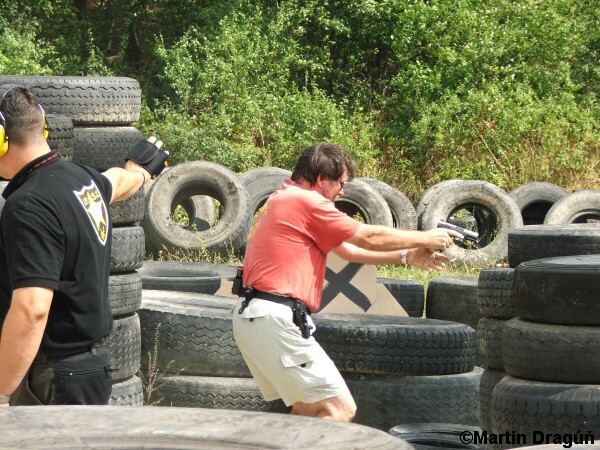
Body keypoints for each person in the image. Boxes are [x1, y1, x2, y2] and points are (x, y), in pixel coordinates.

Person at [232, 142, 462, 422]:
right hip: (274, 317)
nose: (342, 191)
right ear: (321, 180)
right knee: (339, 410)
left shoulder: (283, 197)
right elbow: (368, 237)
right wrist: (426, 237)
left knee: (306, 411)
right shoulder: (306, 201)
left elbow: (347, 251)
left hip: (256, 317)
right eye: (342, 183)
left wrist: (406, 257)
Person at [0, 85, 167, 406]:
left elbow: (32, 309)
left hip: (52, 376)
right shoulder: (84, 181)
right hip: (91, 366)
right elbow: (119, 182)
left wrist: (3, 389)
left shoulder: (27, 205)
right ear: (43, 127)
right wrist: (141, 173)